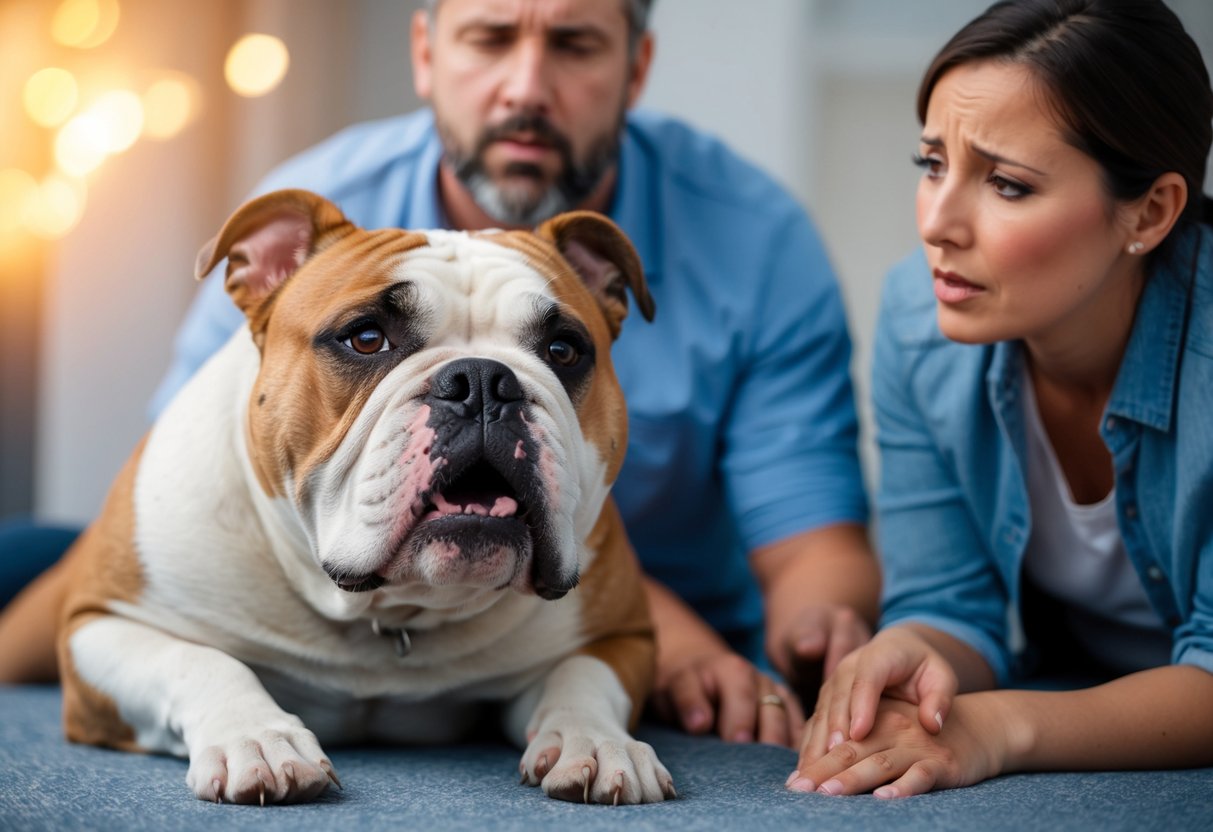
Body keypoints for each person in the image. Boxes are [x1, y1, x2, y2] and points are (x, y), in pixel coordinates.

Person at [0, 0, 879, 748]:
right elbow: (189, 479)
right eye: (490, 38)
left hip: (597, 601)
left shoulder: (755, 240)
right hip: (300, 574)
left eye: (573, 45)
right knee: (30, 555)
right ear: (426, 54)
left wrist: (816, 645)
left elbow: (812, 542)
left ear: (636, 66)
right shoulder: (308, 221)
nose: (525, 87)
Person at [786, 0, 1213, 798]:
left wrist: (996, 728)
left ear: (1150, 213)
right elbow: (950, 599)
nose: (938, 224)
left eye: (1007, 184)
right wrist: (909, 652)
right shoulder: (919, 322)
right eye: (930, 165)